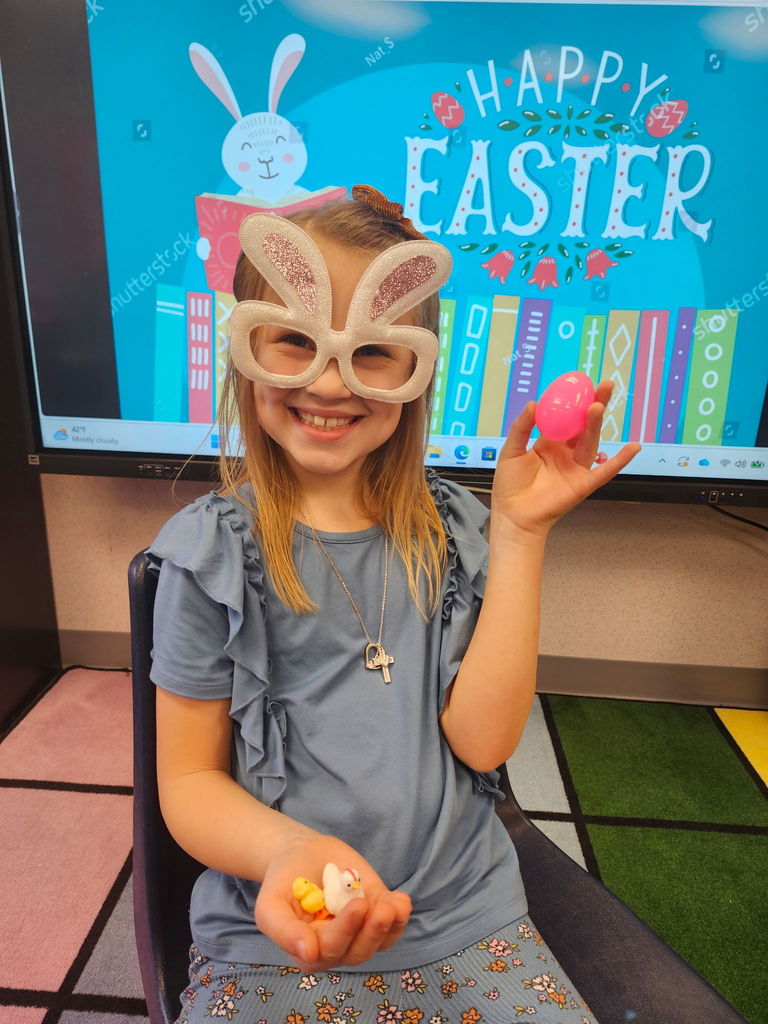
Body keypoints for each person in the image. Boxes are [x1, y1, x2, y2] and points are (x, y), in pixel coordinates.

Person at [148, 184, 641, 1024]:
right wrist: (288, 852)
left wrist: (521, 538)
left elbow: (482, 742)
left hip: (463, 911)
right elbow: (189, 779)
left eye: (372, 353)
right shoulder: (211, 556)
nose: (330, 382)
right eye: (295, 342)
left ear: (416, 368)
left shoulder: (456, 533)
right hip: (277, 926)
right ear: (245, 353)